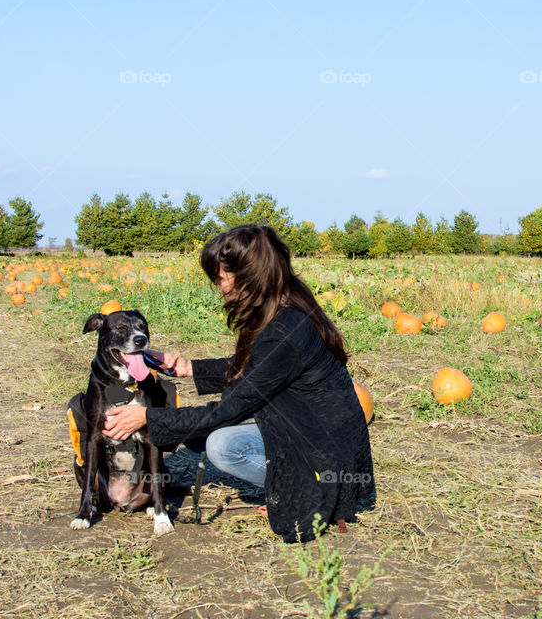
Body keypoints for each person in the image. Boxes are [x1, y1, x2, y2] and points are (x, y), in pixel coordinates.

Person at [103, 225, 374, 543]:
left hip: (325, 453)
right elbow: (260, 369)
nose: (218, 286)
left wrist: (147, 418)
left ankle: (305, 488)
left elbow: (229, 410)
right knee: (201, 436)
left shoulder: (284, 330)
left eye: (220, 277)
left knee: (221, 445)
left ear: (247, 274)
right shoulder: (286, 305)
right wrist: (189, 368)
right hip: (310, 429)